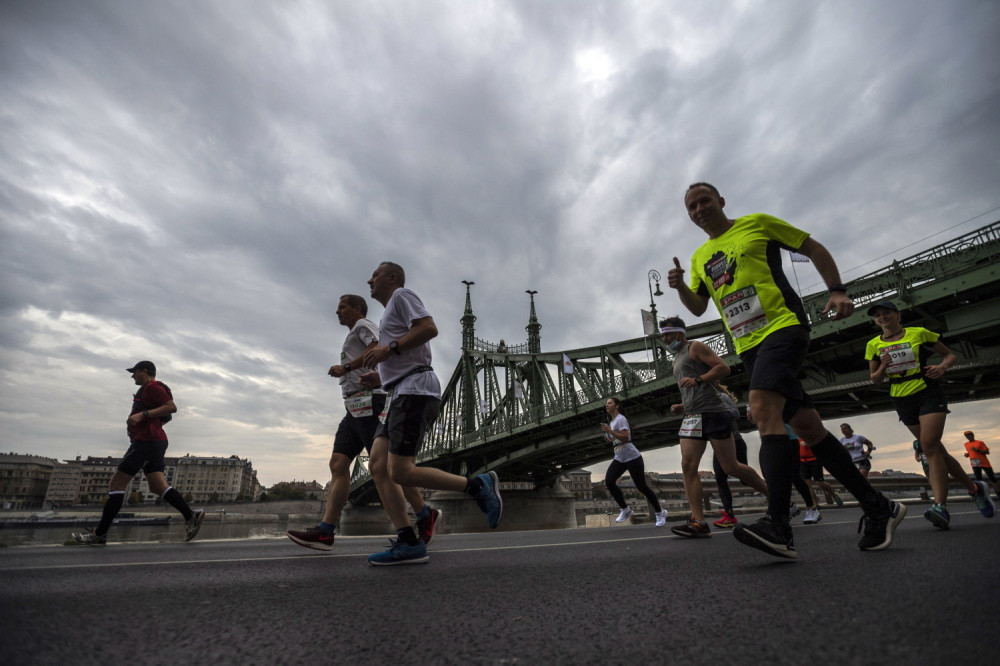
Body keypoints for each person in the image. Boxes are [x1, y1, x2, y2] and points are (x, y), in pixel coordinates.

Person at [668, 182, 905, 559]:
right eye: (691, 206)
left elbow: (812, 247)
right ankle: (880, 507)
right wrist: (681, 286)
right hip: (747, 346)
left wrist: (837, 289)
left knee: (762, 409)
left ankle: (778, 525)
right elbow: (698, 308)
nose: (698, 209)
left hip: (783, 327)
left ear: (721, 201)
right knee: (809, 428)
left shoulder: (757, 224)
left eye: (704, 201)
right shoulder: (699, 257)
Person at [360, 261, 502, 565]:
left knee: (400, 471)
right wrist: (381, 377)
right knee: (377, 466)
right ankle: (409, 538)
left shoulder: (401, 296)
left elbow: (428, 329)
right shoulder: (387, 314)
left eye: (375, 275)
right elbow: (404, 353)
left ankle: (478, 486)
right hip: (398, 391)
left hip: (415, 391)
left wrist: (388, 350)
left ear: (392, 278)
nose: (368, 280)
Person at [286, 295, 439, 551]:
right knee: (338, 463)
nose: (337, 312)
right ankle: (326, 531)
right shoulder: (352, 333)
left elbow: (378, 345)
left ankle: (424, 514)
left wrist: (347, 367)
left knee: (387, 466)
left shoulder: (363, 325)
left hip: (370, 403)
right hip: (353, 407)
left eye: (342, 307)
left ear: (357, 309)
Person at [866, 300, 995, 528]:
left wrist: (942, 368)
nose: (882, 317)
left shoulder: (919, 333)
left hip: (927, 390)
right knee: (936, 449)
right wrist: (883, 367)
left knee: (929, 447)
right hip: (900, 396)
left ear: (897, 315)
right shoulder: (873, 344)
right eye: (877, 315)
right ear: (875, 321)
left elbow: (950, 356)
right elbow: (875, 379)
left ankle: (939, 507)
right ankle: (975, 488)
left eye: (886, 313)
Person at [72, 361, 204, 545]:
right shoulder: (149, 390)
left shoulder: (153, 387)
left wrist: (143, 416)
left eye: (134, 372)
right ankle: (191, 515)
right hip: (155, 441)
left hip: (145, 441)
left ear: (144, 371)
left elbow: (171, 408)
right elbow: (165, 415)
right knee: (157, 487)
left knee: (116, 485)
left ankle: (100, 534)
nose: (132, 375)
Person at [661, 317, 769, 538]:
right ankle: (699, 522)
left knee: (731, 467)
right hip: (692, 415)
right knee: (687, 466)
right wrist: (683, 405)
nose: (665, 339)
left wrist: (699, 379)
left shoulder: (695, 347)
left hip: (713, 413)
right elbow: (691, 387)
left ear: (680, 333)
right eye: (662, 336)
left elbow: (723, 368)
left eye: (668, 334)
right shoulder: (676, 358)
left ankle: (777, 499)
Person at [600, 397, 668, 527]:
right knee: (609, 481)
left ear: (617, 406)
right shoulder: (612, 421)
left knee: (642, 487)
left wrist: (610, 431)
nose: (607, 405)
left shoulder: (621, 419)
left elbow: (626, 437)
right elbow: (613, 439)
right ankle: (625, 509)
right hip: (620, 457)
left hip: (632, 457)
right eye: (606, 404)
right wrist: (607, 434)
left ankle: (660, 513)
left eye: (609, 403)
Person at [710, 384, 749, 528]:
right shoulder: (703, 402)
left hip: (735, 442)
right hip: (719, 444)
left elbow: (736, 413)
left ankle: (781, 502)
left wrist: (717, 411)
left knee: (745, 479)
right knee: (720, 478)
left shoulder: (722, 397)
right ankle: (729, 515)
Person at [799, 438, 843, 509]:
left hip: (814, 460)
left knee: (819, 483)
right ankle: (815, 504)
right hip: (803, 461)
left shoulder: (811, 433)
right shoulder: (795, 435)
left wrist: (809, 442)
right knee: (807, 483)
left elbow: (820, 444)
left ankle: (834, 494)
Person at [962, 431, 999, 497]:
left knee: (992, 478)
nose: (968, 437)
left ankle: (998, 492)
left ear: (973, 435)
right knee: (979, 480)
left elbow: (987, 452)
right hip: (974, 464)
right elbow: (970, 453)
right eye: (967, 436)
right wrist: (967, 455)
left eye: (969, 435)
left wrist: (977, 450)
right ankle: (983, 494)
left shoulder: (980, 442)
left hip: (984, 463)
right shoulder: (966, 444)